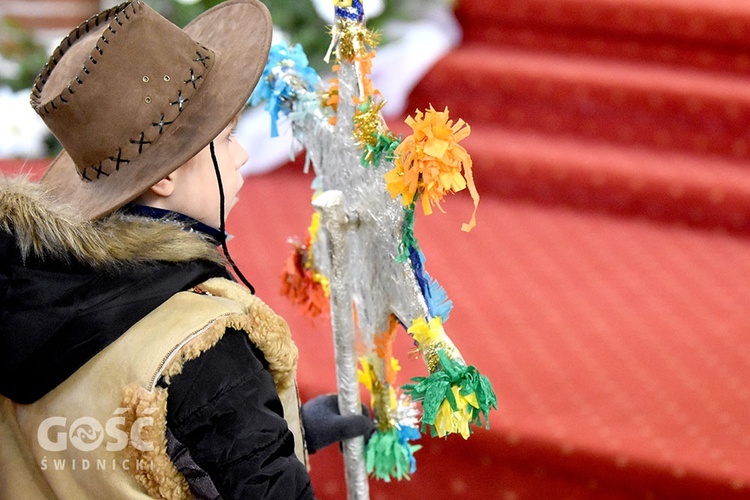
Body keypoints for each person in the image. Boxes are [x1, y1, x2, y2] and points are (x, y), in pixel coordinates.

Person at [0, 1, 373, 498]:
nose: (240, 154)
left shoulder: (31, 296)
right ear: (167, 176)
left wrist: (275, 434)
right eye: (226, 138)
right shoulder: (199, 348)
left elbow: (119, 451)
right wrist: (244, 421)